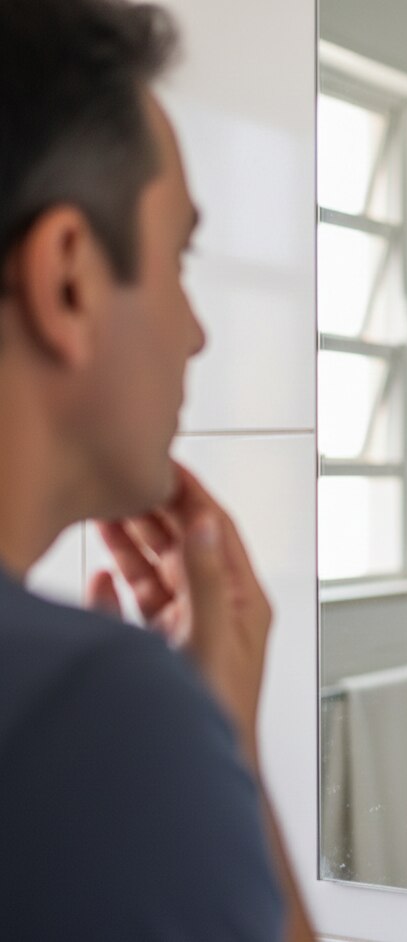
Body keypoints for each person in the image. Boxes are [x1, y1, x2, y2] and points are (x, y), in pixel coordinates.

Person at [0, 0, 315, 938]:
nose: (197, 331)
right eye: (180, 257)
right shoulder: (98, 708)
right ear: (68, 278)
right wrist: (221, 748)